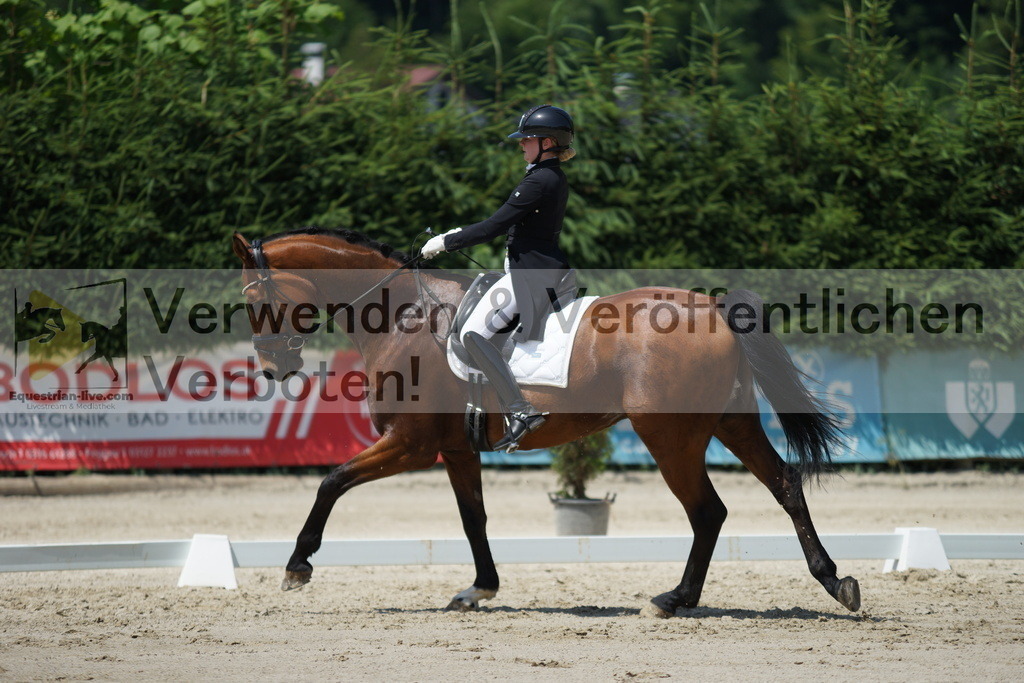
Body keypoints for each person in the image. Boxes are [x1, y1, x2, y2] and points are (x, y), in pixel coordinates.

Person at [421, 104, 575, 452]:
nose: (522, 145)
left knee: (474, 334)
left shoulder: (540, 180)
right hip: (535, 267)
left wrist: (448, 241)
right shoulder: (548, 176)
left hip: (532, 274)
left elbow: (494, 225)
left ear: (548, 143)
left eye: (528, 139)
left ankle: (521, 411)